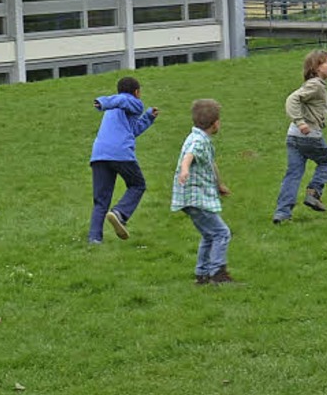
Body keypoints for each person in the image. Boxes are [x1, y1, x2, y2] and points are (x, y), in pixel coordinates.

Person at [273, 50, 327, 223]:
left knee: (293, 174)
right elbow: (292, 99)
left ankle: (282, 213)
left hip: (293, 137)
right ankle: (314, 192)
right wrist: (300, 122)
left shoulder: (318, 87)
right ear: (316, 67)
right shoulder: (316, 85)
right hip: (308, 135)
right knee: (326, 161)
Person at [88, 76, 158, 243]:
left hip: (99, 154)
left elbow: (132, 130)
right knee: (138, 185)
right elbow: (124, 99)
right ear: (137, 92)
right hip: (120, 153)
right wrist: (103, 101)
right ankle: (120, 213)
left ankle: (94, 239)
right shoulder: (130, 101)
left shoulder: (115, 108)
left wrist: (148, 117)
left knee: (101, 200)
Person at [171, 98, 233, 285]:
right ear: (215, 123)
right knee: (222, 233)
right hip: (195, 197)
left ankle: (202, 274)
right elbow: (190, 154)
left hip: (193, 197)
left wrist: (219, 185)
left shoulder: (200, 138)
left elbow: (210, 163)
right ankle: (218, 273)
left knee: (209, 234)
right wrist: (184, 169)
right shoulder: (198, 140)